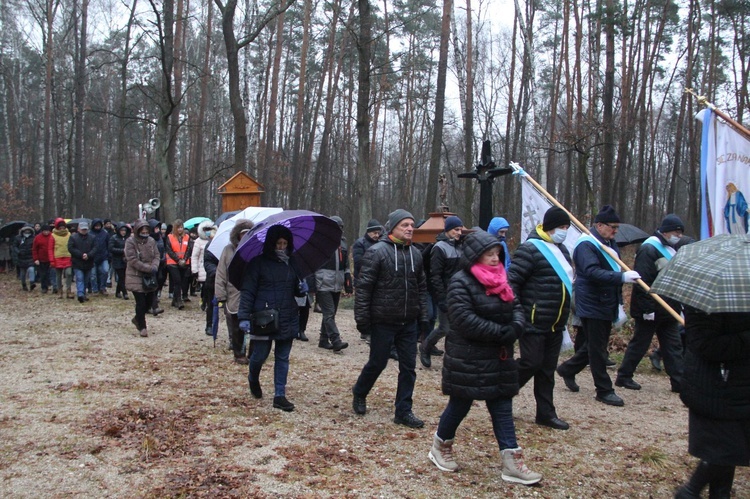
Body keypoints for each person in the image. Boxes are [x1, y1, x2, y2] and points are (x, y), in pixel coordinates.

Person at [427, 230, 541, 485]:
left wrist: (516, 327)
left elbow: (517, 307)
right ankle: (439, 446)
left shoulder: (503, 278)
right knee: (460, 403)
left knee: (502, 405)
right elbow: (464, 320)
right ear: (474, 256)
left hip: (499, 357)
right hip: (469, 357)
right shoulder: (460, 281)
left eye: (497, 254)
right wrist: (501, 332)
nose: (494, 258)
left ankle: (512, 463)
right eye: (488, 254)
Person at [556, 205, 641, 407]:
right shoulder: (587, 245)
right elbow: (592, 272)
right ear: (599, 225)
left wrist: (619, 302)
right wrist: (621, 277)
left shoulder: (609, 243)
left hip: (606, 302)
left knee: (594, 345)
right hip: (591, 302)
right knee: (597, 349)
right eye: (612, 227)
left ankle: (567, 369)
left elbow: (614, 269)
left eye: (617, 227)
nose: (615, 231)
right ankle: (604, 390)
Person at [352, 209, 429, 428]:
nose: (410, 229)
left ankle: (403, 411)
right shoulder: (377, 252)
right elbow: (364, 288)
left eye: (412, 225)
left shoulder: (416, 254)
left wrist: (423, 318)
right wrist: (363, 321)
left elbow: (421, 288)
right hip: (383, 320)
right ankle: (359, 391)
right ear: (393, 227)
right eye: (405, 225)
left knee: (409, 367)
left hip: (408, 322)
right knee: (378, 362)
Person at [508, 207, 573, 430]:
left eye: (567, 228)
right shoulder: (530, 249)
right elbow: (512, 281)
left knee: (547, 370)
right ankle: (503, 393)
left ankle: (546, 413)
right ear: (549, 227)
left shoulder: (563, 250)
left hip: (556, 321)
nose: (564, 231)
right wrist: (518, 310)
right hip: (533, 319)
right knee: (531, 363)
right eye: (561, 227)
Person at [675, 306, 750, 498]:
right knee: (724, 447)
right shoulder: (706, 305)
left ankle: (715, 493)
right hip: (714, 386)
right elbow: (705, 345)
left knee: (730, 447)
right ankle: (691, 491)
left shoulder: (741, 295)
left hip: (737, 386)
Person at [238, 225, 307, 412]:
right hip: (264, 317)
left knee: (283, 357)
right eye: (278, 244)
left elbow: (294, 288)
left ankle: (279, 394)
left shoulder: (292, 263)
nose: (281, 247)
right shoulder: (257, 263)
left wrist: (301, 289)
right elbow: (248, 291)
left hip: (288, 314)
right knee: (259, 356)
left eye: (285, 244)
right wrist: (243, 316)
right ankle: (253, 377)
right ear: (271, 244)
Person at [615, 214, 685, 393]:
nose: (678, 235)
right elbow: (643, 281)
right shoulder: (649, 249)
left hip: (668, 307)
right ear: (666, 231)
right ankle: (624, 376)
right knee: (640, 343)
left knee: (673, 346)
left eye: (680, 232)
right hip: (652, 307)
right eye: (676, 231)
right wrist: (647, 309)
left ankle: (679, 381)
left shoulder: (670, 248)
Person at [420, 215, 464, 368]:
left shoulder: (460, 246)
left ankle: (452, 358)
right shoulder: (439, 248)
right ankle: (425, 346)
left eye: (460, 229)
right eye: (456, 230)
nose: (459, 232)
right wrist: (441, 298)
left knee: (456, 329)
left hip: (459, 294)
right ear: (448, 230)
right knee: (444, 328)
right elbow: (436, 276)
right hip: (445, 294)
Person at [215, 219, 255, 365]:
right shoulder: (228, 250)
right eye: (242, 233)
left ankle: (253, 354)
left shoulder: (256, 249)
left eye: (247, 233)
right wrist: (220, 294)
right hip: (234, 292)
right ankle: (239, 353)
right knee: (236, 325)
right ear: (237, 235)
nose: (244, 236)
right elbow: (221, 273)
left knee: (255, 324)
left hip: (252, 291)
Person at [315, 215, 352, 352]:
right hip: (323, 282)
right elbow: (313, 264)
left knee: (331, 313)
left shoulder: (343, 243)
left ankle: (323, 340)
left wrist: (348, 282)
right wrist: (313, 285)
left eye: (341, 227)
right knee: (329, 313)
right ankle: (336, 340)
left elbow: (346, 265)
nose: (339, 230)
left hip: (337, 282)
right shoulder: (320, 242)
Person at [124, 219, 160, 337]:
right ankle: (142, 327)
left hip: (150, 276)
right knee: (140, 302)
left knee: (149, 301)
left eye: (146, 229)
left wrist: (155, 265)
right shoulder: (130, 242)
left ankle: (137, 318)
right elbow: (133, 260)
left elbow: (157, 255)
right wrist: (147, 268)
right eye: (142, 229)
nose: (144, 232)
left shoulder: (151, 241)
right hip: (136, 276)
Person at [352, 218, 382, 342]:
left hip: (377, 280)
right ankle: (364, 330)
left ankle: (373, 330)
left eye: (378, 232)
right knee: (363, 307)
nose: (376, 235)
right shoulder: (360, 243)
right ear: (368, 232)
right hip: (363, 280)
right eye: (374, 233)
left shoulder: (381, 244)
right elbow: (359, 263)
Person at [191, 221, 216, 335]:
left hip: (216, 275)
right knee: (207, 295)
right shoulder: (198, 242)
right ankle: (209, 324)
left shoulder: (218, 242)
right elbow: (195, 257)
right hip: (204, 271)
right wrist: (195, 270)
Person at [165, 219, 193, 309]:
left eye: (181, 227)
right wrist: (178, 260)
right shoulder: (170, 237)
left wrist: (184, 260)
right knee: (177, 281)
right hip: (172, 263)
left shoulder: (187, 237)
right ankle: (178, 300)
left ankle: (174, 300)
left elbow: (189, 249)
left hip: (184, 263)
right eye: (178, 228)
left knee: (181, 282)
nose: (180, 230)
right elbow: (169, 250)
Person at [68, 221, 98, 303]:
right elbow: (71, 248)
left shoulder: (92, 237)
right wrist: (81, 255)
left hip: (88, 262)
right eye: (82, 229)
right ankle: (80, 294)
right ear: (78, 229)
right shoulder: (73, 237)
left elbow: (95, 248)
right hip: (77, 262)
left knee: (86, 279)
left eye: (85, 229)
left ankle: (83, 294)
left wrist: (88, 255)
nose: (84, 231)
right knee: (80, 278)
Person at [49, 218, 74, 299]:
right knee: (58, 276)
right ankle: (59, 291)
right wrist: (51, 260)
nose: (62, 229)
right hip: (57, 257)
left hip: (68, 256)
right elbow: (50, 249)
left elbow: (72, 246)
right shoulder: (52, 236)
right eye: (60, 227)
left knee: (69, 273)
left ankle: (68, 290)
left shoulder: (69, 234)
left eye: (63, 227)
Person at [109, 223, 131, 300]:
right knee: (121, 277)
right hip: (117, 260)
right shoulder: (113, 238)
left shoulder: (127, 238)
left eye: (124, 230)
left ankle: (118, 291)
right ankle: (125, 293)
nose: (123, 232)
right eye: (122, 230)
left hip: (126, 260)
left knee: (123, 277)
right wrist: (122, 251)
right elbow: (111, 249)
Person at [90, 218, 111, 295]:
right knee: (93, 275)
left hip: (103, 256)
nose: (97, 227)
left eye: (99, 226)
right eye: (96, 226)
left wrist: (109, 255)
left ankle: (103, 287)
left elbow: (109, 244)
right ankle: (95, 289)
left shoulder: (105, 234)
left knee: (105, 271)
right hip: (92, 257)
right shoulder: (90, 234)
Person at [32, 223, 54, 293]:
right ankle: (44, 287)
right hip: (41, 259)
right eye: (45, 231)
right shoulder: (38, 238)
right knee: (43, 274)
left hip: (50, 258)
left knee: (49, 273)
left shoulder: (52, 237)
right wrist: (36, 259)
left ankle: (51, 285)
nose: (46, 232)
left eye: (47, 231)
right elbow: (34, 249)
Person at [13, 224, 36, 291]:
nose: (27, 231)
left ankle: (32, 282)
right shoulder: (18, 238)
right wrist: (18, 252)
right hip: (21, 257)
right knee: (23, 273)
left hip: (30, 257)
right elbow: (14, 246)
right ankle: (24, 284)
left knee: (31, 269)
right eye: (26, 230)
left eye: (28, 230)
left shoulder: (33, 238)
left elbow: (35, 246)